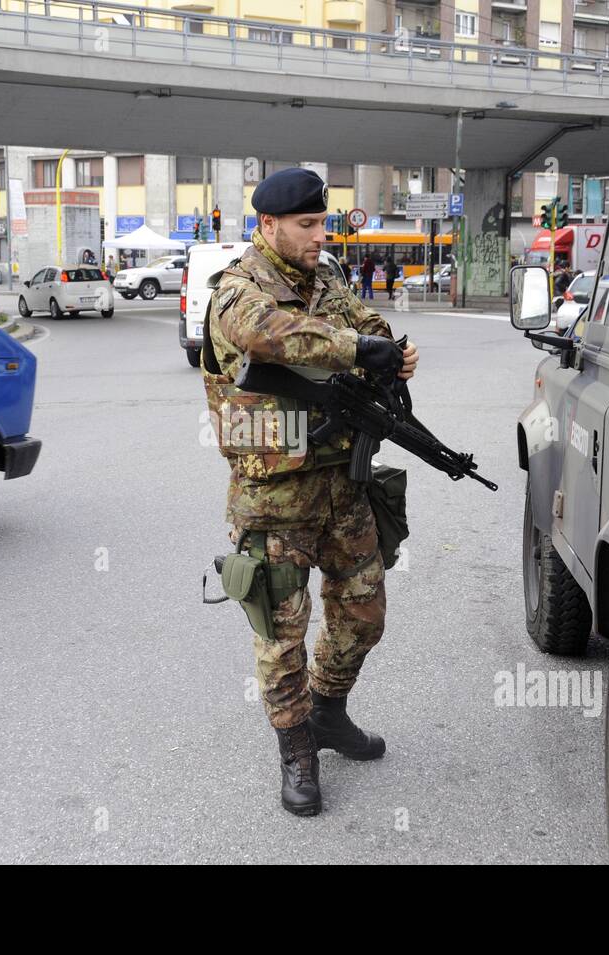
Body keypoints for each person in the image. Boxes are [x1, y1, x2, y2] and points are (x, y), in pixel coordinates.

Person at [202, 168, 419, 816]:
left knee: (364, 610)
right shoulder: (236, 289)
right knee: (281, 634)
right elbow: (271, 337)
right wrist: (357, 347)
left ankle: (327, 710)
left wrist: (390, 348)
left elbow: (363, 322)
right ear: (267, 226)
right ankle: (295, 748)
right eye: (307, 225)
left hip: (339, 486)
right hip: (272, 501)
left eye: (322, 223)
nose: (319, 234)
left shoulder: (327, 279)